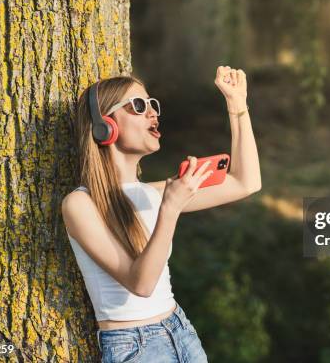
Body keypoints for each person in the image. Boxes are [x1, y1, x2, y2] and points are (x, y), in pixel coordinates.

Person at [61, 66, 261, 362]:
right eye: (138, 106)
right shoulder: (79, 204)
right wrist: (170, 209)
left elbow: (246, 182)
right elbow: (140, 283)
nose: (153, 113)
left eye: (152, 105)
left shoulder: (153, 193)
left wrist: (238, 107)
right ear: (105, 127)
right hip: (135, 347)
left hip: (181, 332)